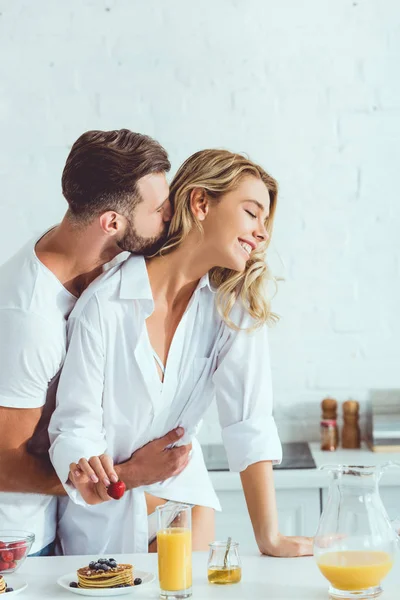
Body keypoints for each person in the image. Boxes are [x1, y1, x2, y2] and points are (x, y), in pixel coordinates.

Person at [49, 148, 313, 557]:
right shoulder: (104, 304)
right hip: (104, 526)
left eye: (266, 221)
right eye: (251, 212)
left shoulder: (231, 308)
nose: (263, 233)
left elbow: (249, 422)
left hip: (184, 512)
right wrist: (92, 466)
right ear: (201, 202)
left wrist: (270, 538)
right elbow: (75, 424)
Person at [0, 129, 193, 556]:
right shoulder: (29, 317)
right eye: (159, 209)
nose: (169, 215)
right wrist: (128, 475)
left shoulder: (102, 262)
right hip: (15, 545)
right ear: (112, 222)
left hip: (57, 526)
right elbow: (1, 464)